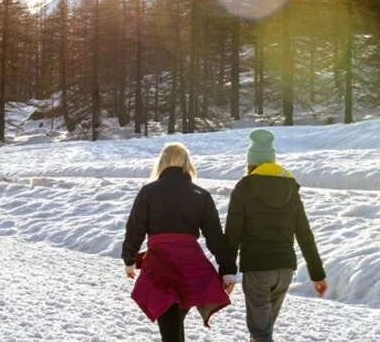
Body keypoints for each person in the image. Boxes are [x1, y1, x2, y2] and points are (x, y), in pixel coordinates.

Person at [122, 143, 238, 342]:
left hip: (160, 264)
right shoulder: (200, 194)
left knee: (171, 326)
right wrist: (227, 269)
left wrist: (129, 259)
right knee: (174, 323)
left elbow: (135, 228)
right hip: (189, 266)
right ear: (187, 163)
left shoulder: (148, 192)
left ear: (162, 163)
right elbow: (215, 236)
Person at [225, 129, 327, 342]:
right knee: (264, 330)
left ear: (250, 162)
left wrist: (227, 272)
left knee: (261, 332)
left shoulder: (243, 188)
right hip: (284, 270)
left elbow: (232, 234)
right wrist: (317, 273)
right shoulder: (290, 188)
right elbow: (304, 233)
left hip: (257, 270)